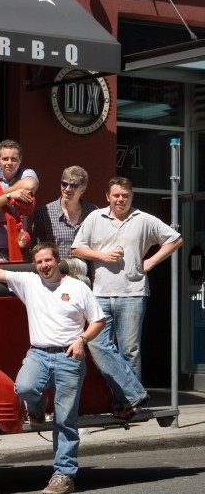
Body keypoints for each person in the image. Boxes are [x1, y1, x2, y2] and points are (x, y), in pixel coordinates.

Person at [0, 242, 105, 494]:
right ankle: (36, 409)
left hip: (69, 357)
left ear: (57, 261)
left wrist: (82, 340)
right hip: (38, 353)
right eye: (39, 262)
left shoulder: (77, 287)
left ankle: (63, 475)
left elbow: (98, 320)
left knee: (65, 420)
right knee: (24, 387)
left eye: (48, 261)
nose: (44, 266)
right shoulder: (29, 282)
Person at [71, 176, 182, 411]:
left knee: (130, 350)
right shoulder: (95, 217)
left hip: (133, 292)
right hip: (100, 293)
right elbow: (76, 247)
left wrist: (151, 261)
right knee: (97, 344)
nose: (120, 200)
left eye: (125, 196)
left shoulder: (143, 219)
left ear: (132, 197)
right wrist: (102, 256)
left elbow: (175, 239)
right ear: (107, 197)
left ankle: (125, 404)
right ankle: (134, 394)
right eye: (116, 195)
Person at [0, 139, 39, 263]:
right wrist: (10, 196)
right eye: (5, 159)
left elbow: (29, 184)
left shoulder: (26, 173)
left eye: (14, 159)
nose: (9, 163)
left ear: (20, 160)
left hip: (20, 244)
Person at [31, 165, 97, 260]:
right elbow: (36, 249)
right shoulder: (44, 213)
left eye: (73, 186)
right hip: (57, 272)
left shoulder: (92, 212)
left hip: (86, 273)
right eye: (64, 184)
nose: (67, 189)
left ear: (82, 189)